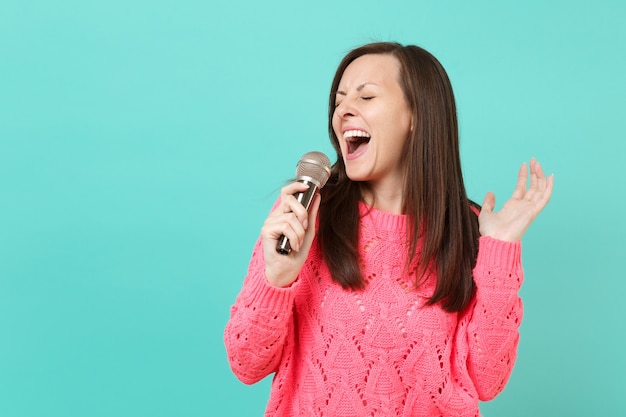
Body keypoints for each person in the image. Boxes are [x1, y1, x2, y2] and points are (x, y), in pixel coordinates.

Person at [224, 42, 553, 417]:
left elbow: (487, 380)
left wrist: (501, 248)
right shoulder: (308, 213)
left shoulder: (468, 231)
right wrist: (278, 278)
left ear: (416, 115)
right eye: (339, 101)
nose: (344, 111)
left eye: (366, 97)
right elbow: (246, 364)